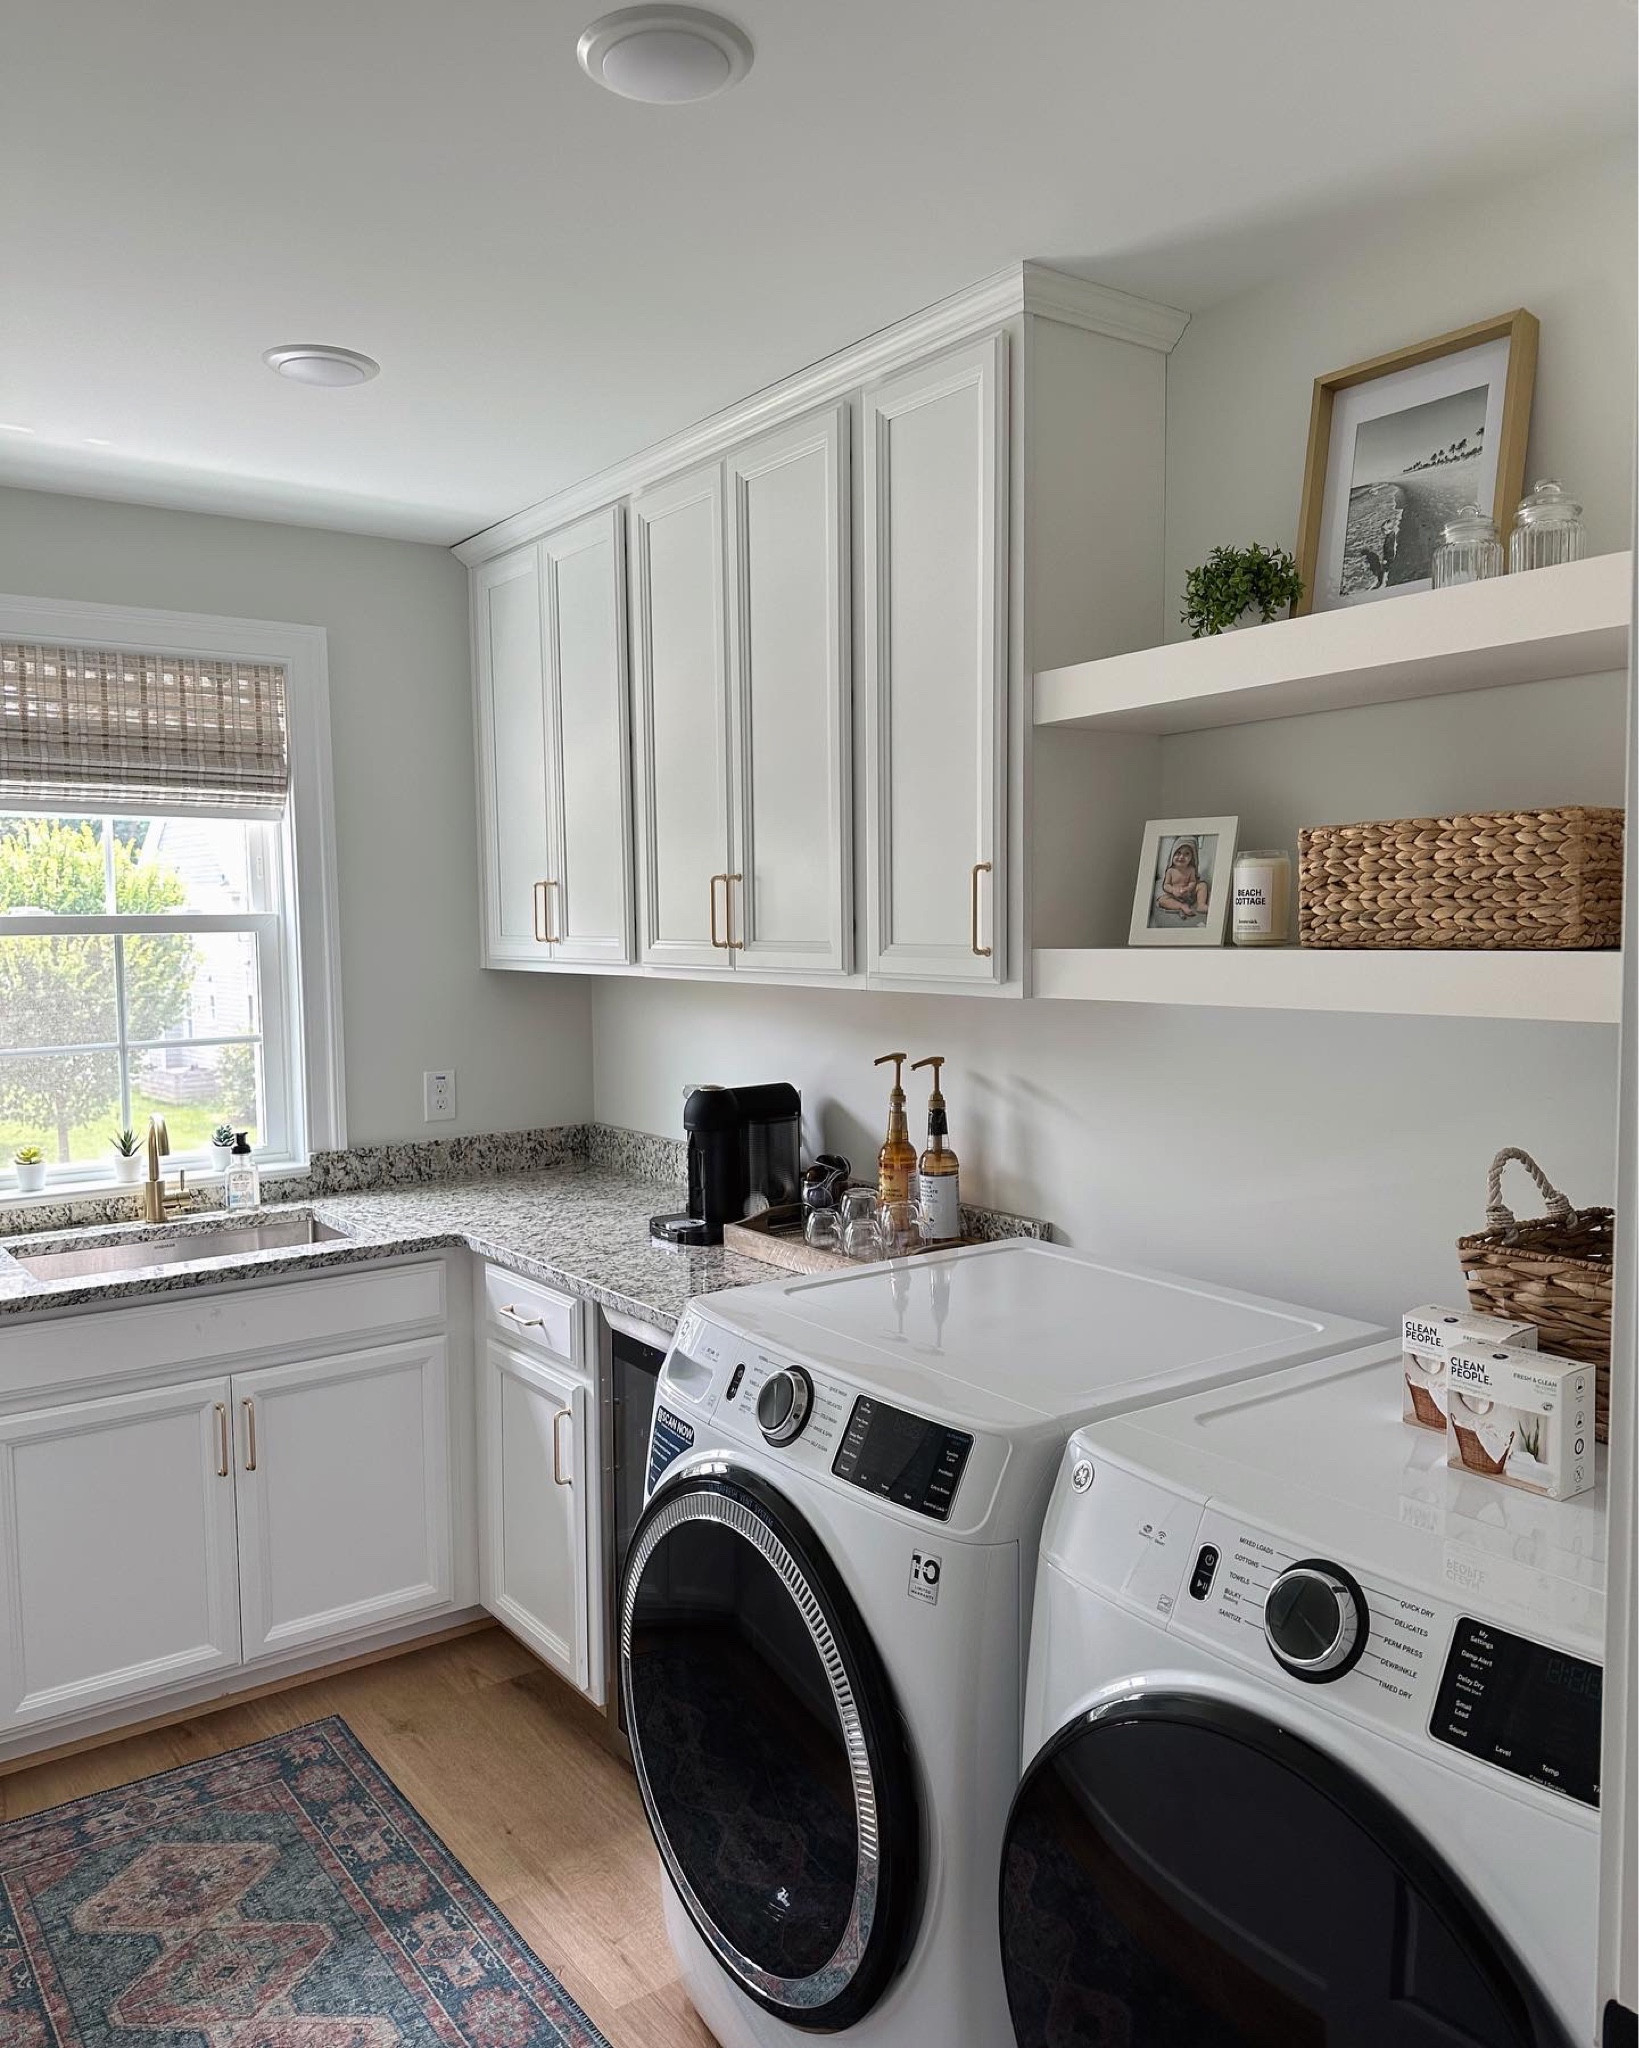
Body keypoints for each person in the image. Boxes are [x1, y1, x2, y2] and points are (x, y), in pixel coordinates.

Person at [1153, 837, 1210, 926]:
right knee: (1161, 900)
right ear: (1172, 855)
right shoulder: (1170, 871)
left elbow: (1193, 881)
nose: (1181, 857)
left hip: (1189, 894)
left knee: (1202, 885)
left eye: (1187, 854)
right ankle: (1180, 906)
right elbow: (1166, 885)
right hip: (1174, 895)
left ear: (1192, 857)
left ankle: (1201, 905)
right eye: (1178, 853)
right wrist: (1173, 890)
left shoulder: (1191, 869)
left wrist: (1188, 888)